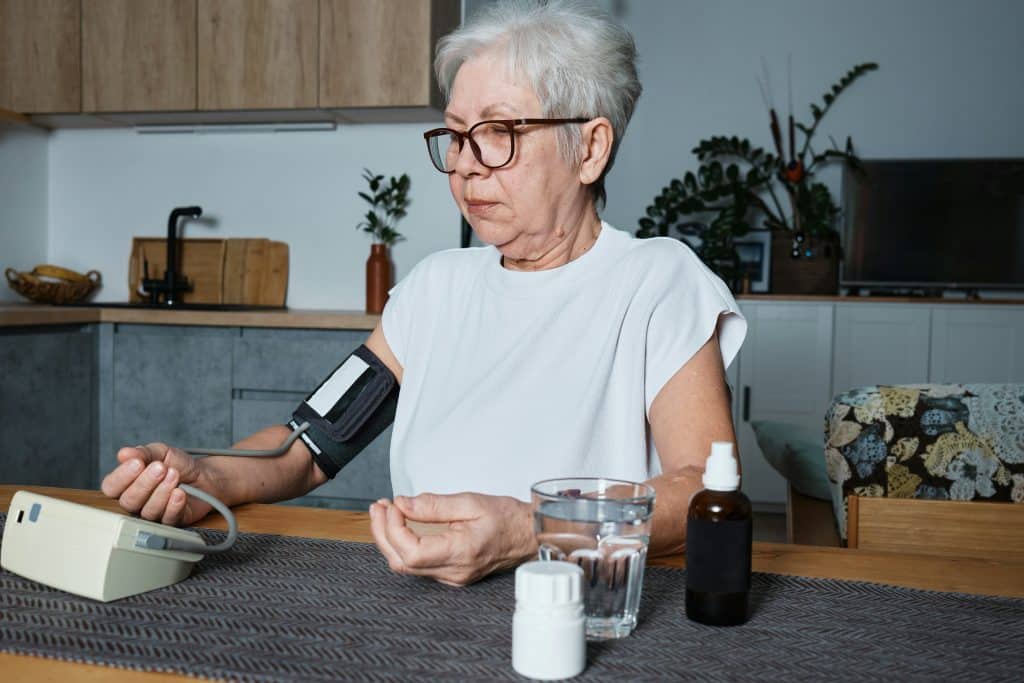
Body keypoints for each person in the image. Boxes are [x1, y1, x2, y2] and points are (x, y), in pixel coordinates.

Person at [101, 0, 746, 587]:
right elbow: (308, 446)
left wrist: (529, 528)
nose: (465, 163)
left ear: (590, 149)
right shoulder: (436, 289)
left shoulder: (658, 281)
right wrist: (203, 481)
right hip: (422, 600)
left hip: (584, 606)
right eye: (457, 134)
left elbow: (701, 491)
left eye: (501, 133)